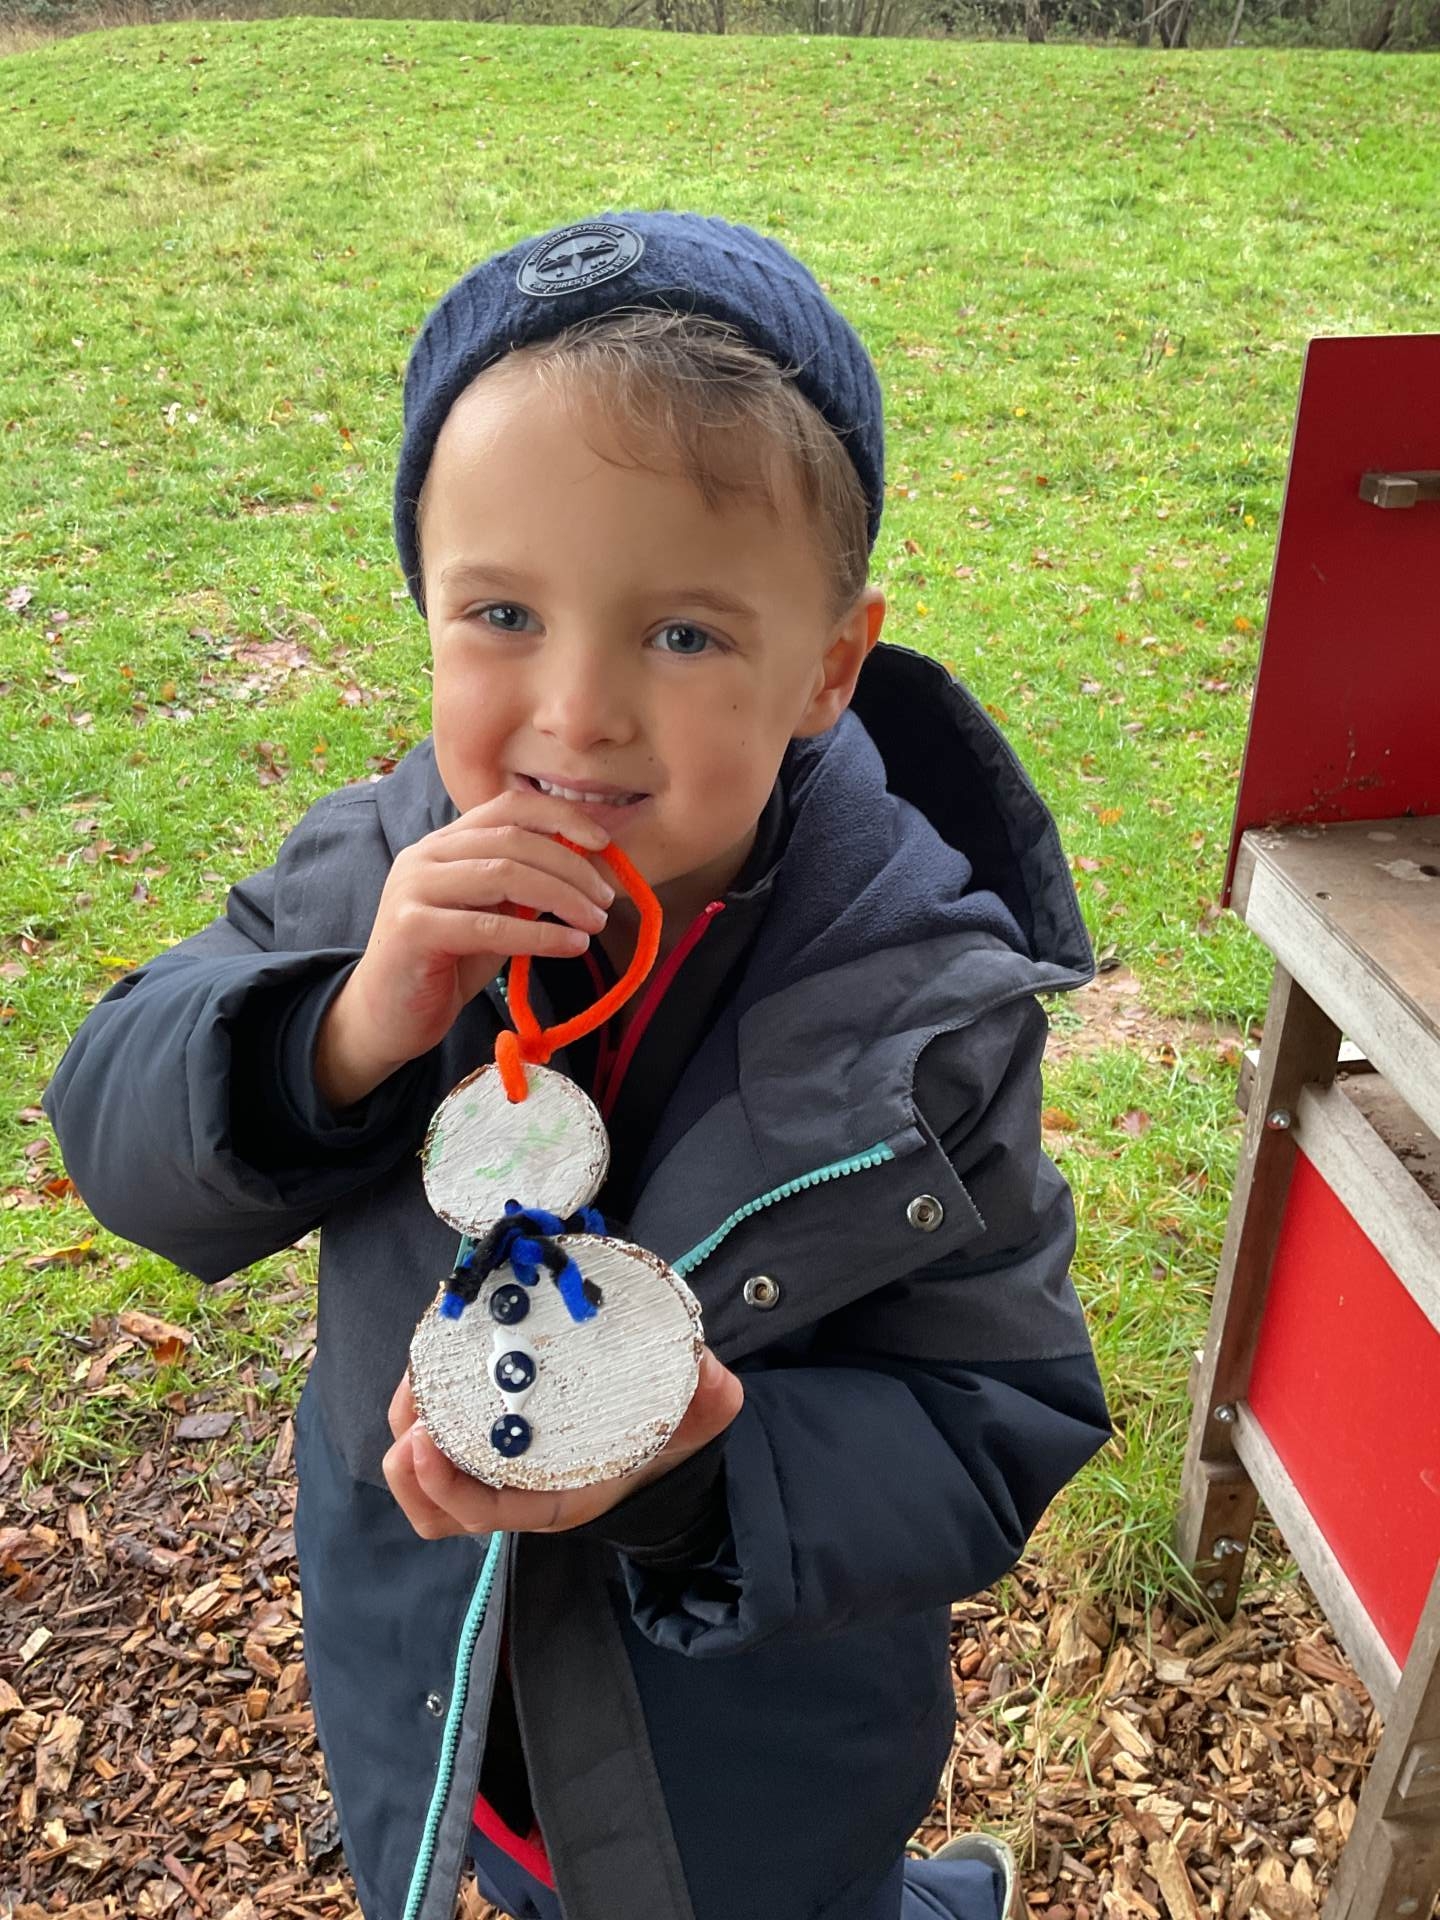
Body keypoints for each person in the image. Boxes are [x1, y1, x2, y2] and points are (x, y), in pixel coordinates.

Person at [44, 212, 1111, 1920]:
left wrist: (694, 1483)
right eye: (503, 613)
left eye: (683, 635)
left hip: (754, 1768)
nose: (579, 709)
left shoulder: (924, 1010)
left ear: (829, 667)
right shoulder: (374, 870)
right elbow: (116, 1127)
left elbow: (996, 1420)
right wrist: (347, 1029)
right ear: (426, 605)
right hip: (433, 1678)